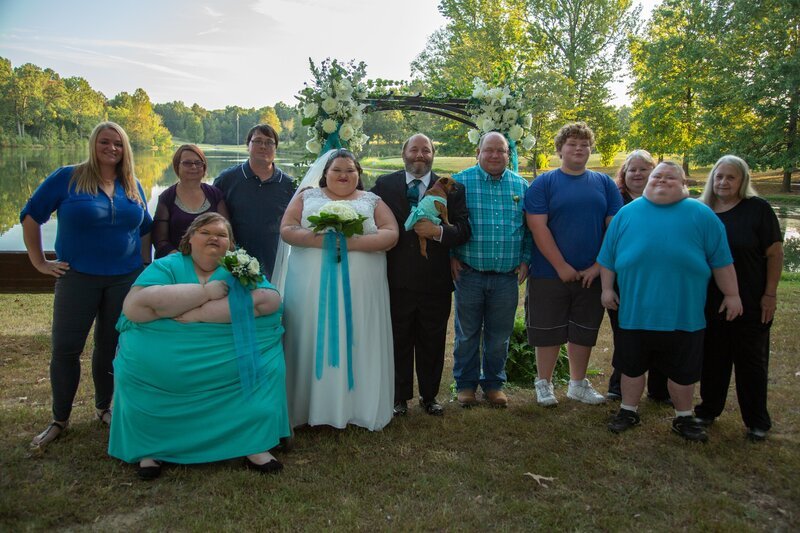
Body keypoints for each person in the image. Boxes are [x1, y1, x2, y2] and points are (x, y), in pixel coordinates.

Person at [108, 213, 290, 479]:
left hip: (230, 365)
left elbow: (268, 301)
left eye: (222, 234)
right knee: (143, 364)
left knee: (263, 364)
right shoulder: (167, 267)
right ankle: (151, 449)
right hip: (164, 369)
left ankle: (254, 445)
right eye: (205, 232)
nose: (214, 237)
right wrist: (205, 293)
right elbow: (135, 308)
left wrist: (198, 314)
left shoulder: (240, 269)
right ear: (189, 238)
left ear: (231, 245)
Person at [20, 121, 152, 447]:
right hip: (77, 277)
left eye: (118, 144)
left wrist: (144, 265)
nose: (112, 149)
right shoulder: (68, 177)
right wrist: (39, 262)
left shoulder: (131, 183)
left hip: (123, 279)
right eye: (105, 142)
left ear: (125, 149)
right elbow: (31, 215)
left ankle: (103, 407)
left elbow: (145, 226)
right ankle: (59, 418)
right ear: (94, 144)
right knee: (66, 348)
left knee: (109, 346)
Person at [598, 162, 743, 442]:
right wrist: (606, 289)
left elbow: (722, 262)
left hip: (684, 313)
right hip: (635, 311)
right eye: (657, 176)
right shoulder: (626, 214)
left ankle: (684, 417)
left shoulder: (703, 215)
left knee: (683, 371)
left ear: (683, 183)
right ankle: (628, 410)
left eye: (669, 177)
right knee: (631, 367)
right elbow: (608, 258)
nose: (661, 180)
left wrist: (732, 294)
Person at [279, 149, 399, 431]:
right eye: (337, 170)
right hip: (310, 287)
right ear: (326, 173)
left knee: (358, 335)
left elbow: (391, 234)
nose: (344, 175)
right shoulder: (307, 196)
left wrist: (351, 242)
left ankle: (358, 407)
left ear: (358, 175)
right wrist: (318, 240)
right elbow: (286, 229)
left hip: (362, 290)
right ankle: (307, 407)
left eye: (350, 170)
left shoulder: (372, 200)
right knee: (311, 333)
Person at [371, 134, 471, 417]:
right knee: (398, 338)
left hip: (435, 280)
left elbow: (464, 230)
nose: (420, 155)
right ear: (403, 153)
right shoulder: (384, 185)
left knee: (432, 339)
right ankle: (399, 397)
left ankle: (430, 396)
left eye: (425, 150)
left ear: (433, 154)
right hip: (395, 278)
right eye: (414, 149)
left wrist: (438, 232)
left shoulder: (451, 188)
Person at [524, 122, 622, 407]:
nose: (579, 149)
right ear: (560, 150)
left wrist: (598, 266)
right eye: (572, 144)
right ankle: (544, 383)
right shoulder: (544, 183)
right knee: (548, 329)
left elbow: (613, 228)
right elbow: (537, 227)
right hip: (548, 272)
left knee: (584, 329)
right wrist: (561, 266)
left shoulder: (604, 184)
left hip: (591, 275)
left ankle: (577, 384)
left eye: (584, 145)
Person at [695, 155, 784, 442]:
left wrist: (769, 294)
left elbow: (774, 253)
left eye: (730, 177)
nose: (723, 182)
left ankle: (757, 421)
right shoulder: (701, 211)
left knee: (751, 362)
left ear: (742, 181)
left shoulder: (757, 209)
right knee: (713, 358)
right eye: (719, 176)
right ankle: (708, 410)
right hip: (709, 300)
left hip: (751, 299)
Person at [450, 132, 532, 408]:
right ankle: (465, 385)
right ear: (478, 152)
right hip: (470, 273)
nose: (495, 156)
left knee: (499, 336)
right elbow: (446, 221)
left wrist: (526, 259)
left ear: (509, 154)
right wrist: (450, 255)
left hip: (506, 277)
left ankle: (494, 384)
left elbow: (529, 229)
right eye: (489, 150)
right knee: (467, 334)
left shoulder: (521, 186)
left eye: (501, 151)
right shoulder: (459, 183)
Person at [605, 150, 669, 402]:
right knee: (625, 333)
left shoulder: (665, 200)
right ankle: (618, 385)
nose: (638, 174)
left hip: (659, 279)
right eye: (632, 169)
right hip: (622, 278)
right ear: (624, 173)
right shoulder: (614, 200)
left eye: (644, 169)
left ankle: (659, 388)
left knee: (659, 331)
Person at [214, 124, 295, 280]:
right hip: (233, 262)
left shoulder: (289, 185)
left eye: (269, 142)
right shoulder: (227, 179)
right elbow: (212, 218)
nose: (263, 146)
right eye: (257, 141)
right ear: (248, 146)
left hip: (274, 264)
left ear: (276, 148)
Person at [152, 144, 229, 258]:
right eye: (187, 163)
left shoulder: (215, 195)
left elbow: (226, 233)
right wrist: (186, 261)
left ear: (204, 167)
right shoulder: (167, 197)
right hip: (176, 264)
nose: (193, 167)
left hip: (211, 263)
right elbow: (160, 241)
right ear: (177, 166)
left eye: (198, 163)